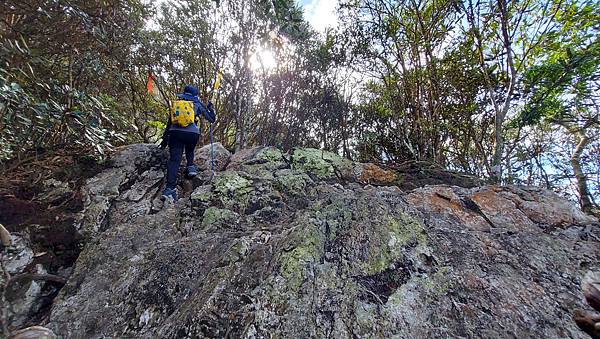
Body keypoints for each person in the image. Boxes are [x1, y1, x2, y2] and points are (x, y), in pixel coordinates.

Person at [160, 85, 215, 201]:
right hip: (192, 134)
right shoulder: (198, 104)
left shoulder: (177, 104)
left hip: (175, 132)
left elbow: (169, 123)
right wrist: (211, 108)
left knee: (174, 160)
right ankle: (190, 168)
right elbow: (211, 119)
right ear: (196, 95)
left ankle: (169, 189)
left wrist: (164, 141)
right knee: (190, 149)